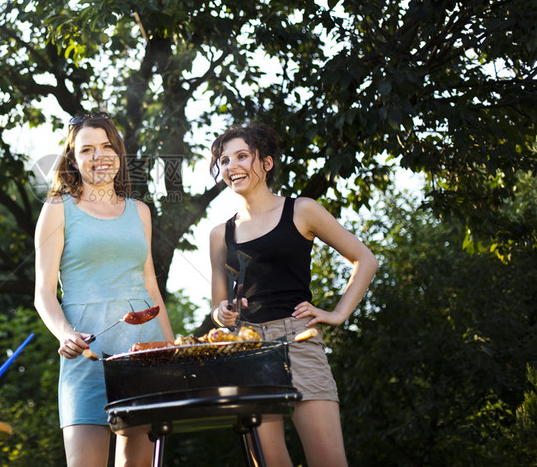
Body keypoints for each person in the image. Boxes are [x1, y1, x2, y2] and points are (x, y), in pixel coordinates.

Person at [208, 122, 378, 467]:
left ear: (266, 162)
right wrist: (222, 313)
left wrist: (338, 313)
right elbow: (217, 305)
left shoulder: (301, 210)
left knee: (328, 461)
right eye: (224, 161)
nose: (232, 166)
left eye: (242, 156)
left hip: (299, 342)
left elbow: (365, 259)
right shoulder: (219, 234)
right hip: (248, 349)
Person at [34, 112, 174, 467]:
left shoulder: (140, 211)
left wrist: (172, 350)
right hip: (87, 353)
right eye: (87, 149)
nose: (99, 156)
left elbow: (151, 287)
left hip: (145, 351)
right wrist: (64, 334)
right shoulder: (57, 209)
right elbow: (44, 293)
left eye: (107, 146)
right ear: (73, 159)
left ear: (119, 152)